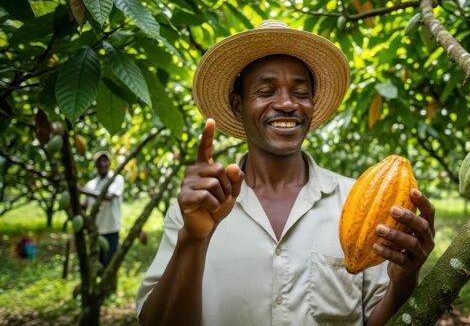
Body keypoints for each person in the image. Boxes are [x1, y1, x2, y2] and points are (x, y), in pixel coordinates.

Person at [136, 20, 435, 325]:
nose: (287, 103)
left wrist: (403, 281)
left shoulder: (357, 202)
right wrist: (193, 240)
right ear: (238, 104)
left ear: (312, 105)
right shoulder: (199, 207)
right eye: (266, 91)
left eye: (301, 93)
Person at [79, 150, 125, 266]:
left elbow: (109, 197)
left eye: (105, 160)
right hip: (95, 232)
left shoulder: (117, 179)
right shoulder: (90, 184)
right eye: (99, 161)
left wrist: (81, 190)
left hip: (111, 230)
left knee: (110, 266)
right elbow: (84, 206)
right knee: (96, 266)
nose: (102, 163)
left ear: (109, 163)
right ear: (95, 164)